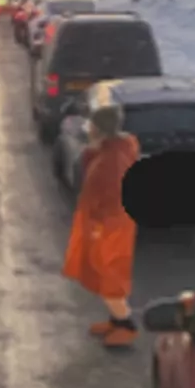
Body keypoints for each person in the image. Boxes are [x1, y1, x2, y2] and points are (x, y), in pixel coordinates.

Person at [62, 105, 142, 348]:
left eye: (92, 126)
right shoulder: (118, 148)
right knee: (104, 275)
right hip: (111, 226)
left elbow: (109, 198)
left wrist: (96, 229)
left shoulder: (111, 162)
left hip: (110, 229)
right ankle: (115, 321)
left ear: (98, 129)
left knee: (109, 279)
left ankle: (126, 325)